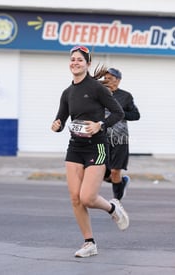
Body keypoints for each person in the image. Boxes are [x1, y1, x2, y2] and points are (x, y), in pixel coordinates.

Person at [51, 45, 129, 258]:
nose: (75, 62)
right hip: (75, 148)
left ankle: (113, 209)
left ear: (87, 64)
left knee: (87, 197)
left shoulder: (97, 88)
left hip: (97, 147)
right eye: (72, 59)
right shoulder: (67, 93)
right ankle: (89, 243)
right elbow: (62, 118)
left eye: (79, 60)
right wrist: (56, 125)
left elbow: (117, 112)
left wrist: (100, 125)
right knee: (75, 198)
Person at [103, 68, 140, 200]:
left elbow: (136, 115)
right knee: (101, 171)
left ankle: (116, 200)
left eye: (111, 78)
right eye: (105, 78)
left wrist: (120, 114)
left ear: (118, 81)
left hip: (120, 138)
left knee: (115, 171)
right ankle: (121, 182)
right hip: (101, 138)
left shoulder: (125, 96)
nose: (107, 80)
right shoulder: (98, 94)